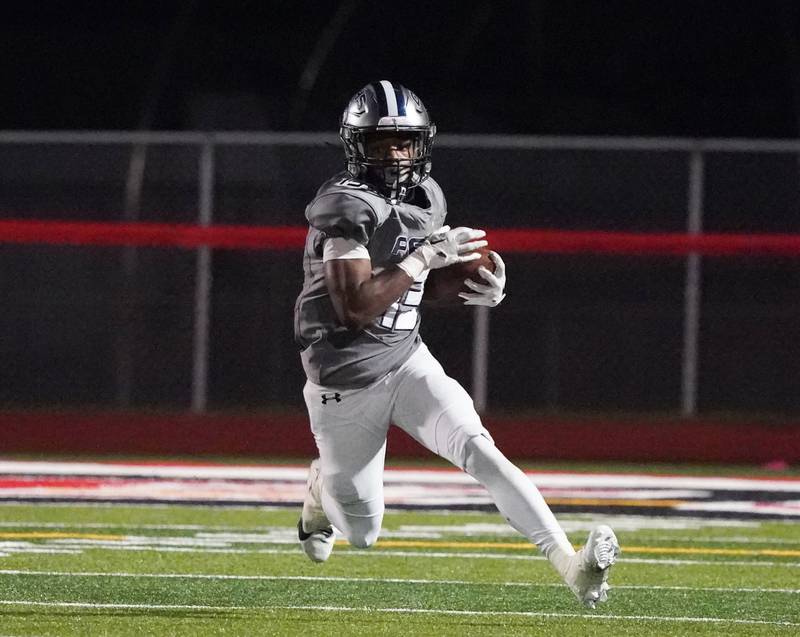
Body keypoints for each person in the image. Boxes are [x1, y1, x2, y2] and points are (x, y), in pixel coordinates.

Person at [293, 80, 619, 608]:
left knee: (479, 450)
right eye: (380, 144)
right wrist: (424, 258)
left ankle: (573, 568)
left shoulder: (427, 197)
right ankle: (320, 491)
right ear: (356, 147)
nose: (395, 155)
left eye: (404, 143)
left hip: (406, 360)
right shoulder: (343, 207)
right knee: (363, 532)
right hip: (345, 378)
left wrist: (474, 290)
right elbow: (355, 306)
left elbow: (411, 292)